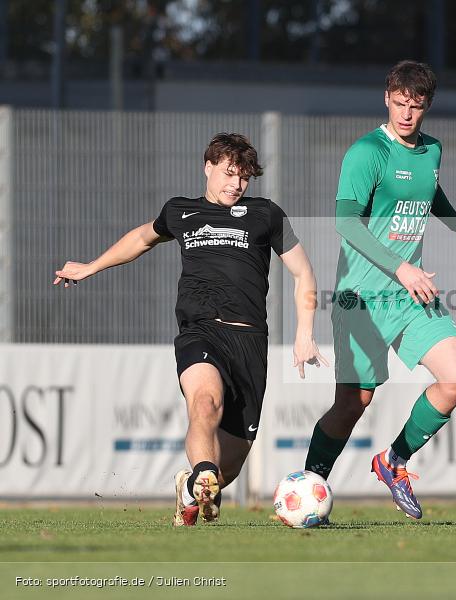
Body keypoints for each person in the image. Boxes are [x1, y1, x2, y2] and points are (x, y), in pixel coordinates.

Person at [54, 133, 326, 527]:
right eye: (230, 173)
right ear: (208, 167)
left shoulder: (266, 214)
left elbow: (304, 273)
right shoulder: (181, 211)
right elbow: (141, 239)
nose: (236, 184)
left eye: (245, 178)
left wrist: (305, 332)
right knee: (205, 403)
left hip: (250, 342)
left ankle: (191, 486)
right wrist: (91, 266)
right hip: (201, 332)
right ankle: (202, 471)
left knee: (225, 470)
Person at [302, 60, 456, 520]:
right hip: (361, 298)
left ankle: (394, 461)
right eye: (400, 103)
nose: (407, 114)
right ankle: (310, 486)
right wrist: (401, 267)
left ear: (427, 106)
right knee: (354, 402)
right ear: (386, 98)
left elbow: (432, 193)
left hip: (411, 293)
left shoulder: (432, 149)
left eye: (416, 106)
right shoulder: (367, 152)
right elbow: (345, 222)